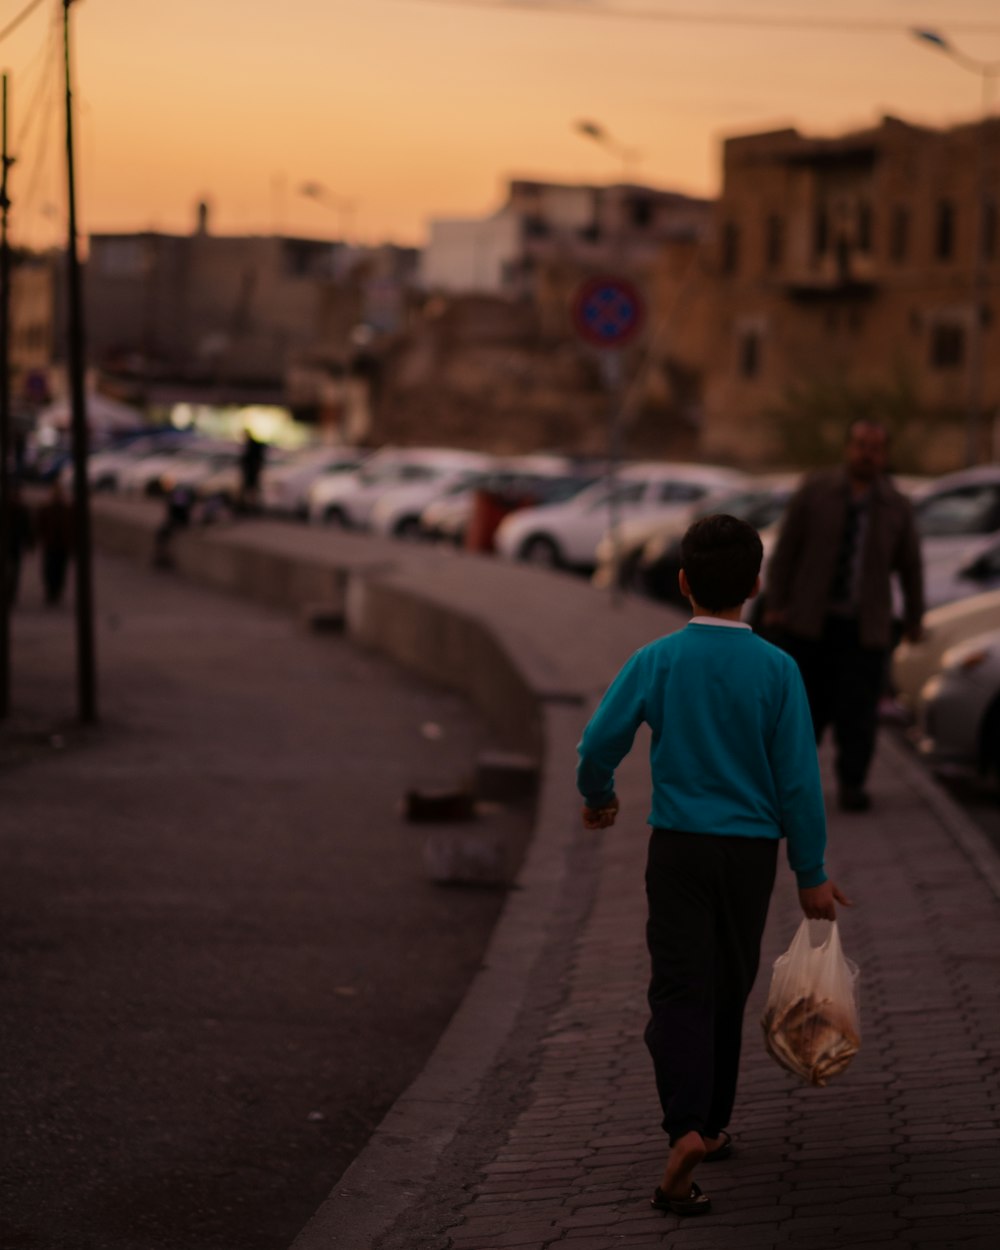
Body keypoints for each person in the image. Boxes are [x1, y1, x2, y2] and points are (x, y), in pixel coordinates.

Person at [577, 514, 849, 1220]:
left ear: (683, 582)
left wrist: (598, 796)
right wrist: (810, 872)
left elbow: (598, 742)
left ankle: (686, 1129)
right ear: (756, 585)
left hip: (678, 848)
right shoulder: (778, 670)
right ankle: (714, 1124)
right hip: (750, 855)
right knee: (728, 984)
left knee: (677, 989)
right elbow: (798, 780)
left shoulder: (657, 660)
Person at [763, 419, 924, 812]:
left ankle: (852, 785)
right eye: (859, 445)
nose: (865, 453)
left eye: (874, 447)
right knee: (803, 712)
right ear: (847, 448)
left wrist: (915, 620)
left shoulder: (896, 506)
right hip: (809, 625)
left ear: (884, 455)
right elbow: (786, 551)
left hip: (864, 629)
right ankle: (792, 786)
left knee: (858, 715)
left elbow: (911, 567)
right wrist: (775, 604)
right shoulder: (816, 491)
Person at [35, 480, 75, 605]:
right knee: (49, 569)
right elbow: (40, 525)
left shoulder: (66, 510)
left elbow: (73, 528)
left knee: (59, 570)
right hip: (51, 544)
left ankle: (56, 592)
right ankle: (51, 591)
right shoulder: (47, 509)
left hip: (61, 545)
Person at [238, 429, 266, 513]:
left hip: (251, 471)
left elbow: (252, 458)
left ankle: (250, 506)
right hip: (250, 470)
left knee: (251, 489)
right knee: (251, 489)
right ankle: (250, 506)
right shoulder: (252, 444)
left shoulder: (253, 445)